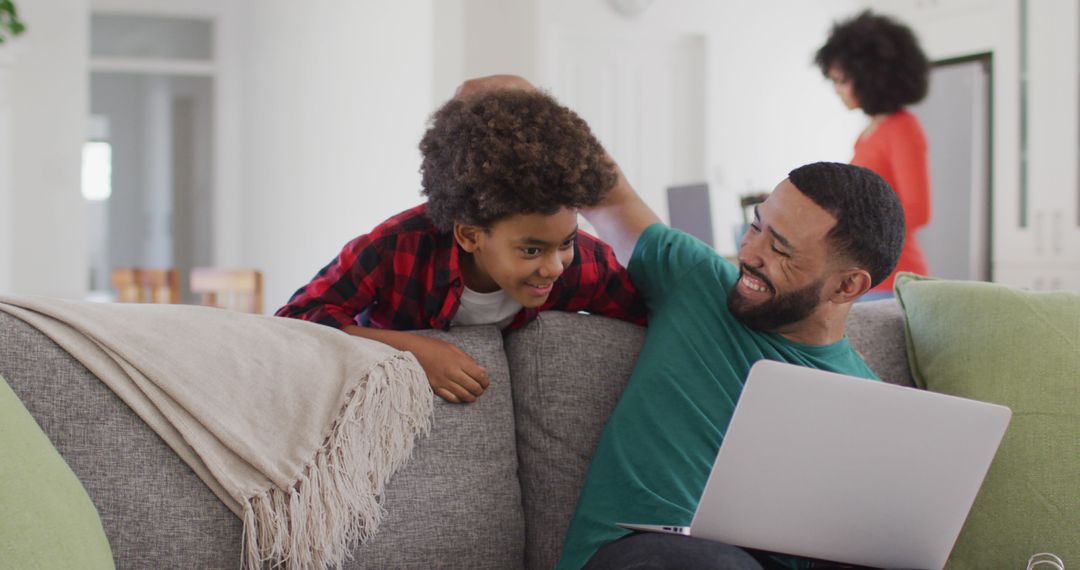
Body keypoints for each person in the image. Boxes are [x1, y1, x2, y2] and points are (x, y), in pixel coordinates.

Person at [275, 88, 646, 404]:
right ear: (470, 235)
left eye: (565, 242)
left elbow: (651, 316)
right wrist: (414, 351)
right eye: (531, 251)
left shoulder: (582, 263)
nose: (554, 267)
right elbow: (294, 323)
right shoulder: (394, 248)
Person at [815, 10, 931, 300]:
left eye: (842, 81)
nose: (838, 91)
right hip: (867, 274)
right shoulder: (869, 133)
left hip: (894, 279)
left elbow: (917, 210)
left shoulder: (902, 127)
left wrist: (850, 226)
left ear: (869, 78)